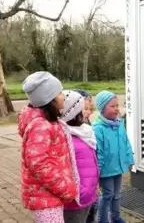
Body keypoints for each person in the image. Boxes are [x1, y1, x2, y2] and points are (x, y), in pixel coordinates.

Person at [18, 72, 77, 222]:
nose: (63, 96)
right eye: (59, 93)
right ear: (49, 99)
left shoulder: (48, 123)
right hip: (47, 198)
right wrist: (65, 187)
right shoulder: (40, 126)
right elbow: (38, 165)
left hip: (51, 195)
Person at [93, 91, 134, 223]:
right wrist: (97, 172)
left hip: (118, 166)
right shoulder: (98, 128)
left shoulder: (119, 124)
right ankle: (102, 220)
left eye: (117, 105)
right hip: (106, 169)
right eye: (112, 106)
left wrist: (129, 159)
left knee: (116, 194)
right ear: (102, 108)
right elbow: (97, 152)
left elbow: (126, 143)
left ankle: (116, 217)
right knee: (107, 195)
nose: (117, 109)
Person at [61, 90, 99, 223]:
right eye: (83, 109)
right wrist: (78, 192)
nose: (88, 112)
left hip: (89, 193)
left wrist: (93, 186)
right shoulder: (64, 137)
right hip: (75, 200)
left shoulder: (85, 132)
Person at [73, 89, 98, 223]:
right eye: (85, 108)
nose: (90, 112)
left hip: (91, 185)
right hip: (80, 190)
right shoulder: (70, 132)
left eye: (90, 108)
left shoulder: (87, 127)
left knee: (92, 213)